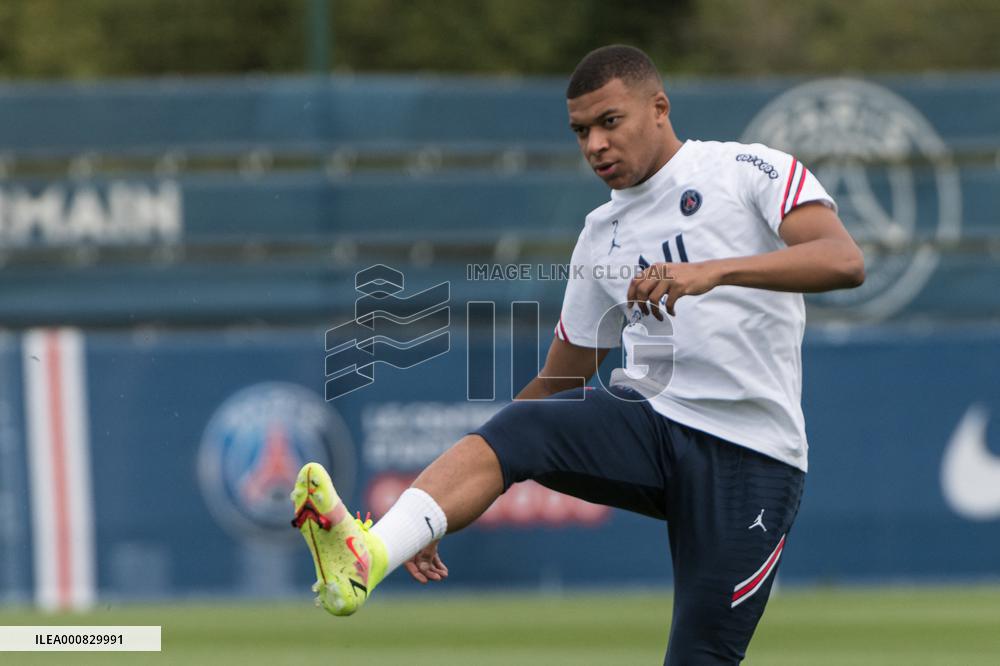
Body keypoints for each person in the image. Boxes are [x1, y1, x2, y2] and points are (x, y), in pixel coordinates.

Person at [290, 44, 865, 664]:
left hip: (754, 458)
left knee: (700, 657)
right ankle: (370, 557)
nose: (594, 145)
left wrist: (711, 273)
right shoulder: (599, 236)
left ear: (659, 108)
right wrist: (424, 518)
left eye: (609, 122)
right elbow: (558, 382)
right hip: (654, 424)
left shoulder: (747, 170)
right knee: (523, 425)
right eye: (581, 131)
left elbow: (844, 260)